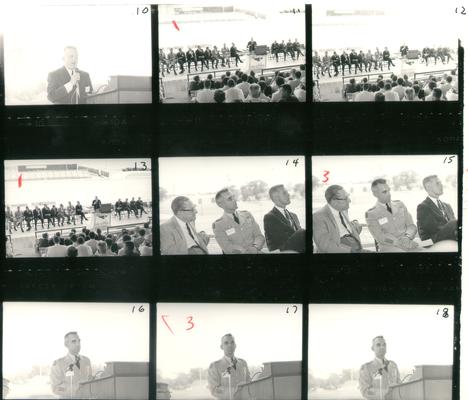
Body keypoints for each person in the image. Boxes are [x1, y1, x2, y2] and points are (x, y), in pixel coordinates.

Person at [365, 179, 418, 252]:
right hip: (388, 245)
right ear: (375, 194)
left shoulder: (400, 205)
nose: (389, 194)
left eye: (389, 190)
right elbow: (380, 237)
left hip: (407, 240)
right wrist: (398, 243)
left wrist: (407, 237)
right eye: (384, 192)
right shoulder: (371, 214)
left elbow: (411, 225)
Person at [313, 185, 366, 253]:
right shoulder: (318, 217)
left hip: (355, 246)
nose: (349, 200)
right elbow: (325, 245)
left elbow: (343, 230)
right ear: (334, 202)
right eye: (346, 198)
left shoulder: (343, 210)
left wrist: (355, 225)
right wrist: (350, 250)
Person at [212, 189, 265, 254]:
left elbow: (259, 236)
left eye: (233, 197)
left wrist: (255, 247)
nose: (234, 200)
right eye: (230, 199)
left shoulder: (247, 215)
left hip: (256, 252)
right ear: (220, 204)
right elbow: (227, 247)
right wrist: (245, 251)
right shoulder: (218, 225)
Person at [208, 334, 250, 400]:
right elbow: (214, 390)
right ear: (221, 347)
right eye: (226, 343)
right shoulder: (215, 366)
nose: (230, 345)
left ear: (235, 345)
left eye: (232, 342)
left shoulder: (243, 363)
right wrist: (236, 391)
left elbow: (249, 383)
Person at [263, 185, 305, 253]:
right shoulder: (269, 217)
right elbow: (280, 243)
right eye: (284, 192)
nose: (288, 194)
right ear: (276, 197)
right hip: (283, 254)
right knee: (302, 232)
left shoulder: (294, 216)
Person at [50, 332, 92, 398]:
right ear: (66, 344)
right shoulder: (58, 364)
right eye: (74, 341)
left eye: (79, 341)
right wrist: (76, 388)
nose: (78, 344)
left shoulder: (86, 361)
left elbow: (90, 380)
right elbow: (56, 388)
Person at [416, 175, 457, 244]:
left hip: (450, 240)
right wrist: (452, 226)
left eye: (441, 183)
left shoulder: (447, 206)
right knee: (454, 222)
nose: (441, 185)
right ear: (428, 187)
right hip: (433, 242)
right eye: (438, 183)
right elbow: (432, 232)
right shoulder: (423, 207)